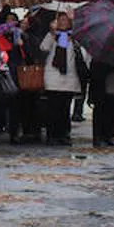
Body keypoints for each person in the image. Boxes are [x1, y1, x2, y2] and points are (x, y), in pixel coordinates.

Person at [41, 12, 83, 146]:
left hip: (69, 76)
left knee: (65, 108)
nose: (63, 22)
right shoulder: (53, 35)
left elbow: (83, 54)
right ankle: (52, 134)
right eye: (61, 20)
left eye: (66, 20)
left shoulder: (74, 36)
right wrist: (52, 33)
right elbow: (43, 47)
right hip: (53, 76)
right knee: (53, 107)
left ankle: (64, 134)